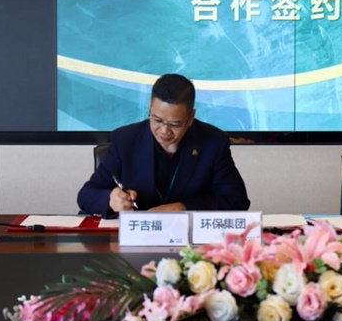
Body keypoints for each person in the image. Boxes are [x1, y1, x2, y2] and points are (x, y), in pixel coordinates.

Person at [77, 73, 250, 218]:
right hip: (136, 237)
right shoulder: (125, 140)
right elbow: (86, 195)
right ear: (150, 106)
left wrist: (182, 208)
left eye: (175, 124)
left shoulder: (213, 142)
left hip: (189, 240)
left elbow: (236, 200)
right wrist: (111, 199)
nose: (164, 131)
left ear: (191, 117)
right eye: (157, 120)